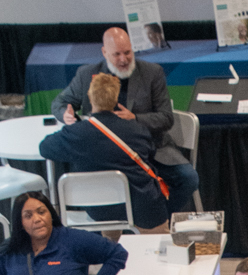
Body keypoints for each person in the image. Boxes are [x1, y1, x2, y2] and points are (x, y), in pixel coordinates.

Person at [48, 76, 193, 231]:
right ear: (116, 98)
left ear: (90, 98)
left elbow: (46, 148)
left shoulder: (75, 134)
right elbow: (150, 153)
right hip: (142, 209)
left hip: (99, 211)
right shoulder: (138, 130)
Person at [57, 26, 174, 149]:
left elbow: (166, 117)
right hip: (100, 147)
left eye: (127, 52)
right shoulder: (86, 74)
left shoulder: (152, 72)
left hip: (147, 147)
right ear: (104, 52)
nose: (123, 59)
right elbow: (60, 103)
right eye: (117, 54)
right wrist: (65, 114)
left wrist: (135, 118)